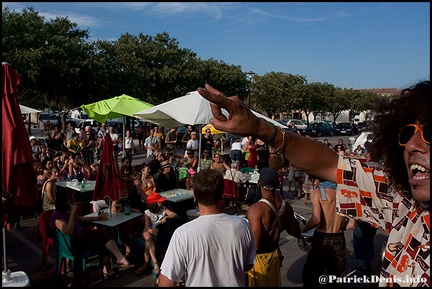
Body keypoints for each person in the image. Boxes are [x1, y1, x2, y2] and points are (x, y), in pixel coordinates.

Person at [197, 81, 430, 287]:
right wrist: (261, 128)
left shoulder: (308, 196)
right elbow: (329, 164)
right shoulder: (405, 205)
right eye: (408, 133)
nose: (411, 145)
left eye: (428, 132)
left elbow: (316, 216)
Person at [157, 169, 256, 287]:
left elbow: (166, 283)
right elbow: (248, 264)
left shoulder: (183, 233)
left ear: (194, 195)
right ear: (222, 195)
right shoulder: (242, 225)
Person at [50, 188, 133, 280]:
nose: (73, 201)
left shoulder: (68, 210)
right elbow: (68, 231)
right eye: (70, 199)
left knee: (105, 234)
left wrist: (96, 218)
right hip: (75, 242)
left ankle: (119, 258)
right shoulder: (57, 216)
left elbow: (80, 219)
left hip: (83, 234)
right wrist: (72, 214)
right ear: (64, 202)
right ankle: (108, 270)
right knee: (101, 245)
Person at [247, 167, 301, 287]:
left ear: (259, 183)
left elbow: (254, 245)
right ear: (277, 184)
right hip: (274, 256)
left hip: (258, 261)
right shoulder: (286, 207)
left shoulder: (255, 210)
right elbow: (296, 232)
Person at [300, 178, 354, 287]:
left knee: (311, 278)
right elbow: (352, 224)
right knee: (335, 280)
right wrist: (338, 227)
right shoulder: (347, 195)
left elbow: (316, 219)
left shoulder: (317, 193)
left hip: (321, 238)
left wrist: (304, 228)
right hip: (339, 239)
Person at [133, 192, 178, 276]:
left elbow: (174, 214)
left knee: (147, 242)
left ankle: (145, 265)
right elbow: (147, 227)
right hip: (151, 233)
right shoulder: (147, 213)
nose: (162, 203)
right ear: (154, 204)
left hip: (161, 235)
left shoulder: (164, 209)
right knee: (148, 236)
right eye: (159, 202)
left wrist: (166, 217)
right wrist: (152, 231)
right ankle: (155, 262)